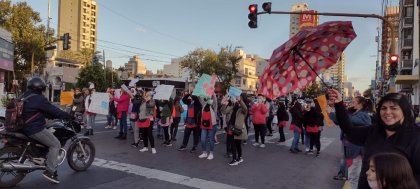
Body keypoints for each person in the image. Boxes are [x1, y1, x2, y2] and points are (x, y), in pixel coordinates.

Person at [329, 89, 420, 188]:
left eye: (394, 108)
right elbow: (349, 130)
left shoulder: (416, 137)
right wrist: (339, 104)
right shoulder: (374, 131)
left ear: (404, 111)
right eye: (383, 108)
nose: (387, 112)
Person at [21, 77, 72, 183]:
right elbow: (54, 110)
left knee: (49, 134)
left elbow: (35, 111)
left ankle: (42, 158)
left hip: (22, 127)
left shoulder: (24, 96)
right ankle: (50, 172)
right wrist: (67, 115)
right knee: (55, 144)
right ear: (41, 88)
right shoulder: (39, 99)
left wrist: (49, 115)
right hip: (33, 128)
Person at [346, 96, 372, 189]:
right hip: (355, 148)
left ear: (360, 104)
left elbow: (347, 121)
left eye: (354, 102)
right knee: (353, 173)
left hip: (358, 148)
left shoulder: (363, 115)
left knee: (354, 174)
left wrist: (334, 113)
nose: (351, 103)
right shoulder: (355, 112)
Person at [222, 94, 248, 166]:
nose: (235, 100)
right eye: (236, 99)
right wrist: (224, 104)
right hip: (231, 128)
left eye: (238, 99)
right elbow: (224, 111)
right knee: (233, 144)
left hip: (237, 129)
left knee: (237, 144)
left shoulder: (243, 109)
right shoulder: (234, 107)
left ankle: (238, 158)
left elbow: (245, 108)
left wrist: (239, 100)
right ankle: (235, 158)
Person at [198, 96, 217, 160]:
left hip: (212, 124)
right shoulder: (204, 104)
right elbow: (199, 97)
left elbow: (214, 99)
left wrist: (213, 92)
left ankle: (211, 153)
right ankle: (204, 152)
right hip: (204, 124)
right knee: (203, 139)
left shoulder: (213, 105)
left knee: (211, 140)